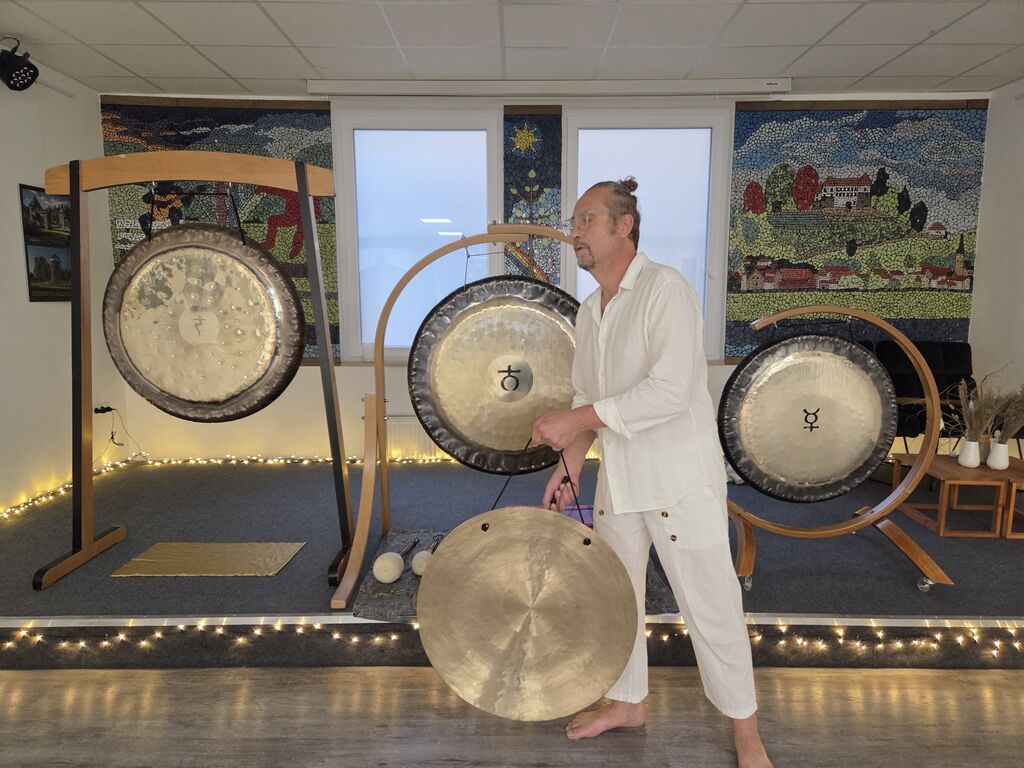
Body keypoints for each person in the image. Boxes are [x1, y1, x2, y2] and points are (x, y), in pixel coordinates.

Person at [531, 178, 771, 767]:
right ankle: (627, 702)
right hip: (620, 480)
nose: (574, 232)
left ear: (624, 226)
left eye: (587, 220)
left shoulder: (666, 290)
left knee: (711, 606)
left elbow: (669, 391)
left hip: (679, 479)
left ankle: (747, 733)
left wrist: (575, 419)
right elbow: (587, 399)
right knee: (617, 601)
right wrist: (568, 465)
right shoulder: (590, 311)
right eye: (573, 222)